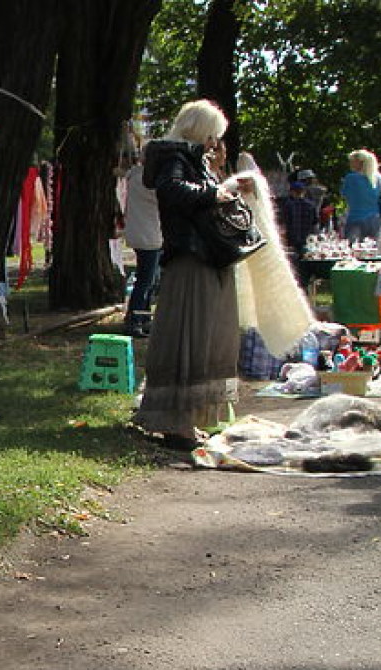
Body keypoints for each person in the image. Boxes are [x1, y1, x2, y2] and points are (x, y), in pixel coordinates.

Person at [131, 99, 247, 452]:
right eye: (212, 135)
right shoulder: (175, 157)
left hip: (206, 257)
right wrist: (215, 193)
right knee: (189, 339)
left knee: (206, 339)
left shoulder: (192, 159)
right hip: (191, 258)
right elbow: (172, 190)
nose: (215, 143)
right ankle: (176, 423)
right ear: (200, 130)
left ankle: (190, 419)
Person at [122, 149, 162, 337]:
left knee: (149, 280)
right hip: (149, 236)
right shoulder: (147, 180)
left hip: (143, 234)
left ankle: (142, 317)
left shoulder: (135, 177)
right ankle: (135, 320)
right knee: (145, 281)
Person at [339, 149, 381, 244]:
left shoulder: (350, 178)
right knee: (371, 250)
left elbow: (344, 195)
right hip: (374, 219)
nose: (350, 164)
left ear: (359, 162)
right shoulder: (377, 178)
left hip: (355, 218)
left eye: (352, 161)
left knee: (353, 249)